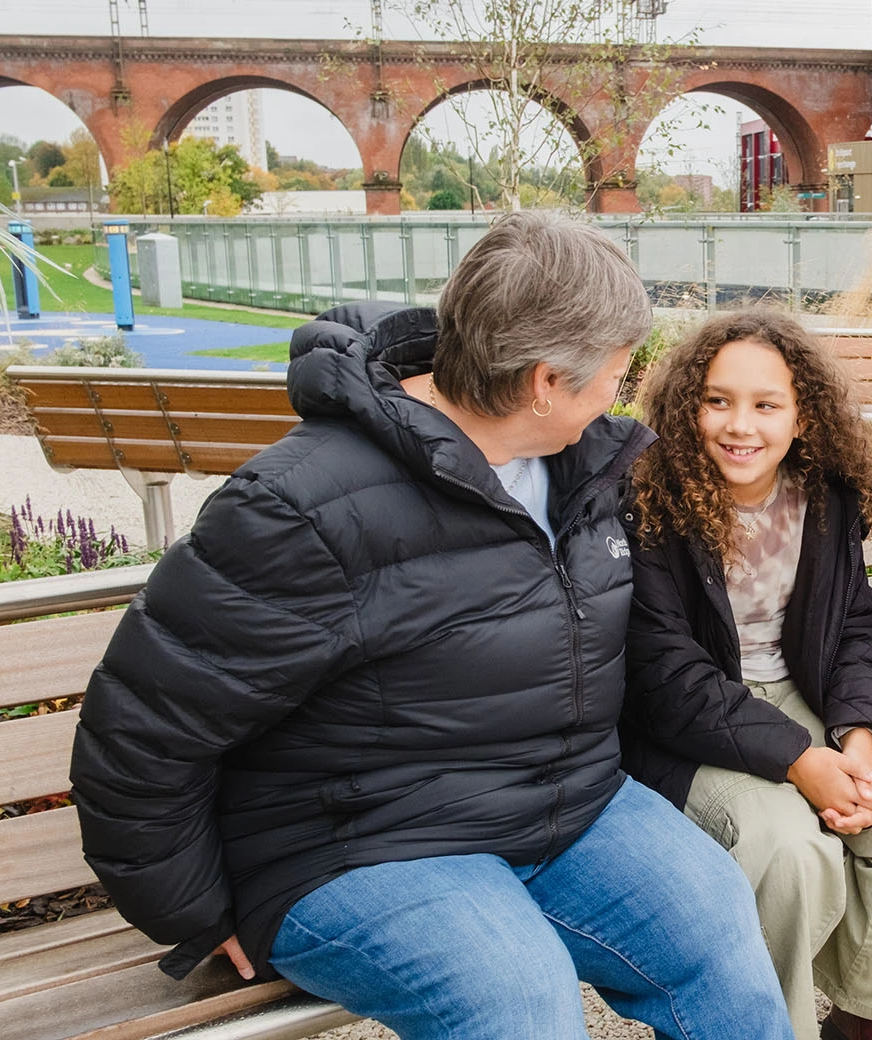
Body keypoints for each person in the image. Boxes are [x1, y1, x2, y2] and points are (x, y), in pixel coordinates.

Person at [69, 212, 793, 1040]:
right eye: (616, 375)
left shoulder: (583, 469)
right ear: (546, 382)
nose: (620, 396)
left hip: (566, 805)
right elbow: (141, 732)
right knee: (517, 998)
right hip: (358, 840)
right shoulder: (301, 509)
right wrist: (193, 910)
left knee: (716, 926)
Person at [621, 310, 872, 1040]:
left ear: (802, 415)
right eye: (717, 400)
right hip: (691, 725)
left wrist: (859, 740)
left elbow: (853, 627)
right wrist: (799, 761)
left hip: (811, 702)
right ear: (689, 407)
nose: (738, 425)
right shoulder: (647, 500)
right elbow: (663, 674)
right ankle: (760, 1025)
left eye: (765, 404)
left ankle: (865, 1017)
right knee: (788, 848)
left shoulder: (825, 494)